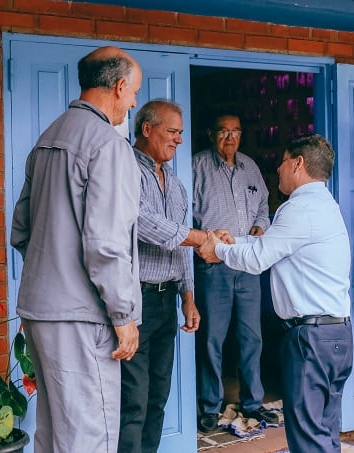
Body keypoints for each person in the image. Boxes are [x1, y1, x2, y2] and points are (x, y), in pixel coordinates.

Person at [10, 46, 142, 452]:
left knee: (53, 436)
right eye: (133, 92)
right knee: (90, 436)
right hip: (83, 316)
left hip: (40, 309)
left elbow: (21, 230)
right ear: (119, 87)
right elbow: (106, 243)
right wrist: (123, 315)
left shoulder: (49, 137)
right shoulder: (107, 144)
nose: (134, 102)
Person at [197, 134, 353, 453]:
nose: (278, 168)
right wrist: (232, 242)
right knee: (325, 431)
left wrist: (219, 252)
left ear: (297, 163)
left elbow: (259, 259)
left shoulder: (298, 208)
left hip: (311, 339)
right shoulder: (324, 204)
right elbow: (270, 246)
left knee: (307, 438)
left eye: (282, 161)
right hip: (337, 333)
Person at [119, 99, 223, 453]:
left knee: (158, 395)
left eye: (181, 132)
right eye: (173, 131)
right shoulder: (126, 172)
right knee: (133, 399)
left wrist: (188, 298)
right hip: (136, 300)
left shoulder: (177, 185)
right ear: (147, 129)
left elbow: (179, 245)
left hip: (166, 301)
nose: (180, 139)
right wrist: (201, 237)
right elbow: (146, 225)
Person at [192, 113, 278, 432]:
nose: (230, 139)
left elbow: (263, 206)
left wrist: (261, 225)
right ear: (211, 134)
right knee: (212, 338)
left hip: (247, 264)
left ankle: (252, 402)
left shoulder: (250, 167)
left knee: (251, 337)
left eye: (235, 133)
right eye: (223, 132)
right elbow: (182, 214)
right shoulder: (196, 167)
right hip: (214, 266)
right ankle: (210, 406)